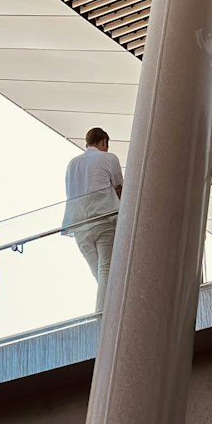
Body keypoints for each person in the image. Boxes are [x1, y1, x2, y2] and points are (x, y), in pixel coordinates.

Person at [63, 126, 124, 314]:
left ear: (86, 143)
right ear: (104, 142)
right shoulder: (109, 158)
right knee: (106, 268)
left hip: (78, 224)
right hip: (103, 217)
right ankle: (103, 314)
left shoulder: (72, 164)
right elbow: (120, 188)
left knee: (100, 273)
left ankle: (110, 310)